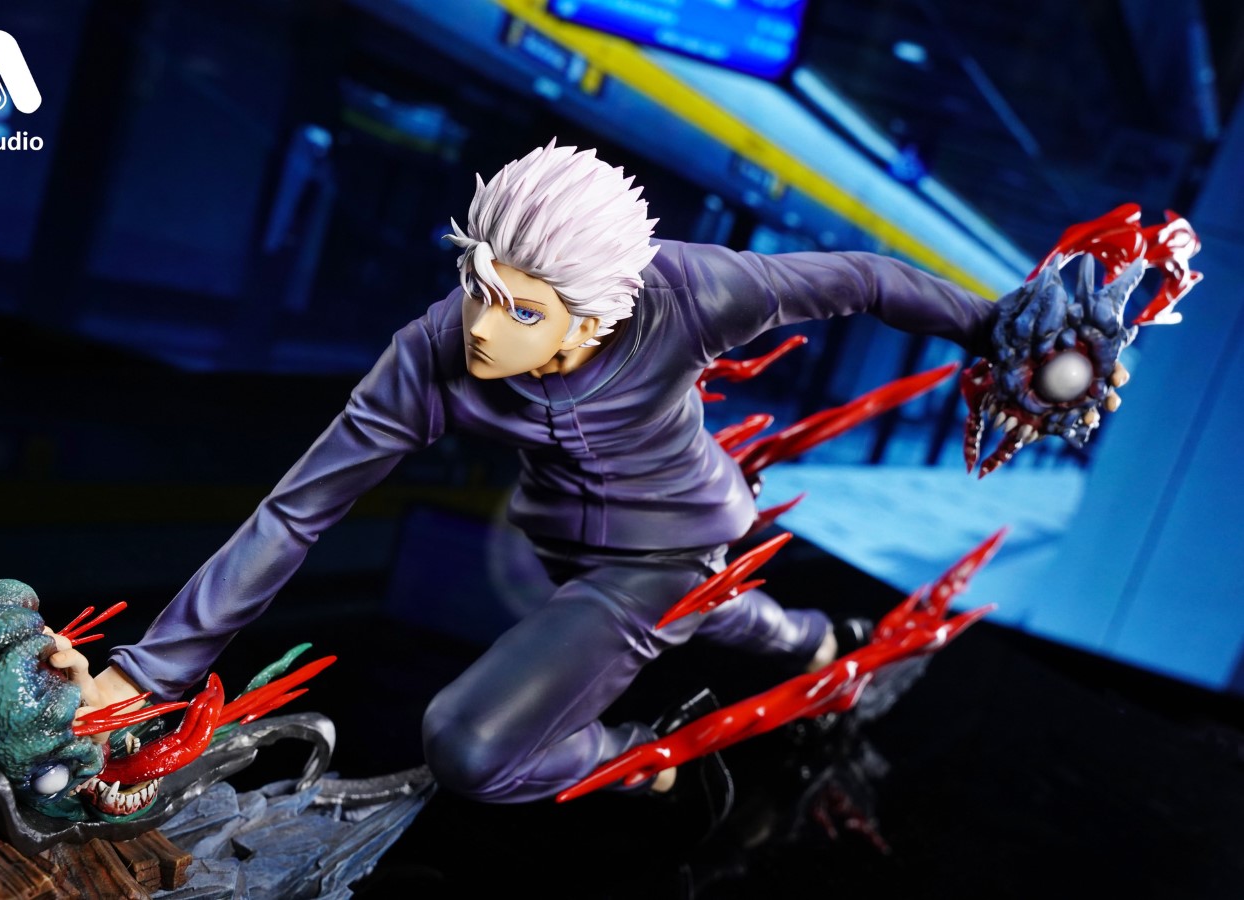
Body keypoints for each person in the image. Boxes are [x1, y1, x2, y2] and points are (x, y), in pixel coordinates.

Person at [85, 140, 996, 803]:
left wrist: (996, 329)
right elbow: (296, 515)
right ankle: (826, 645)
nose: (482, 327)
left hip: (672, 545)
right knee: (707, 612)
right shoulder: (436, 351)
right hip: (561, 544)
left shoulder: (694, 292)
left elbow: (867, 280)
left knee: (471, 749)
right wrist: (149, 678)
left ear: (596, 317)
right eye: (477, 288)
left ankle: (656, 756)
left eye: (520, 310)